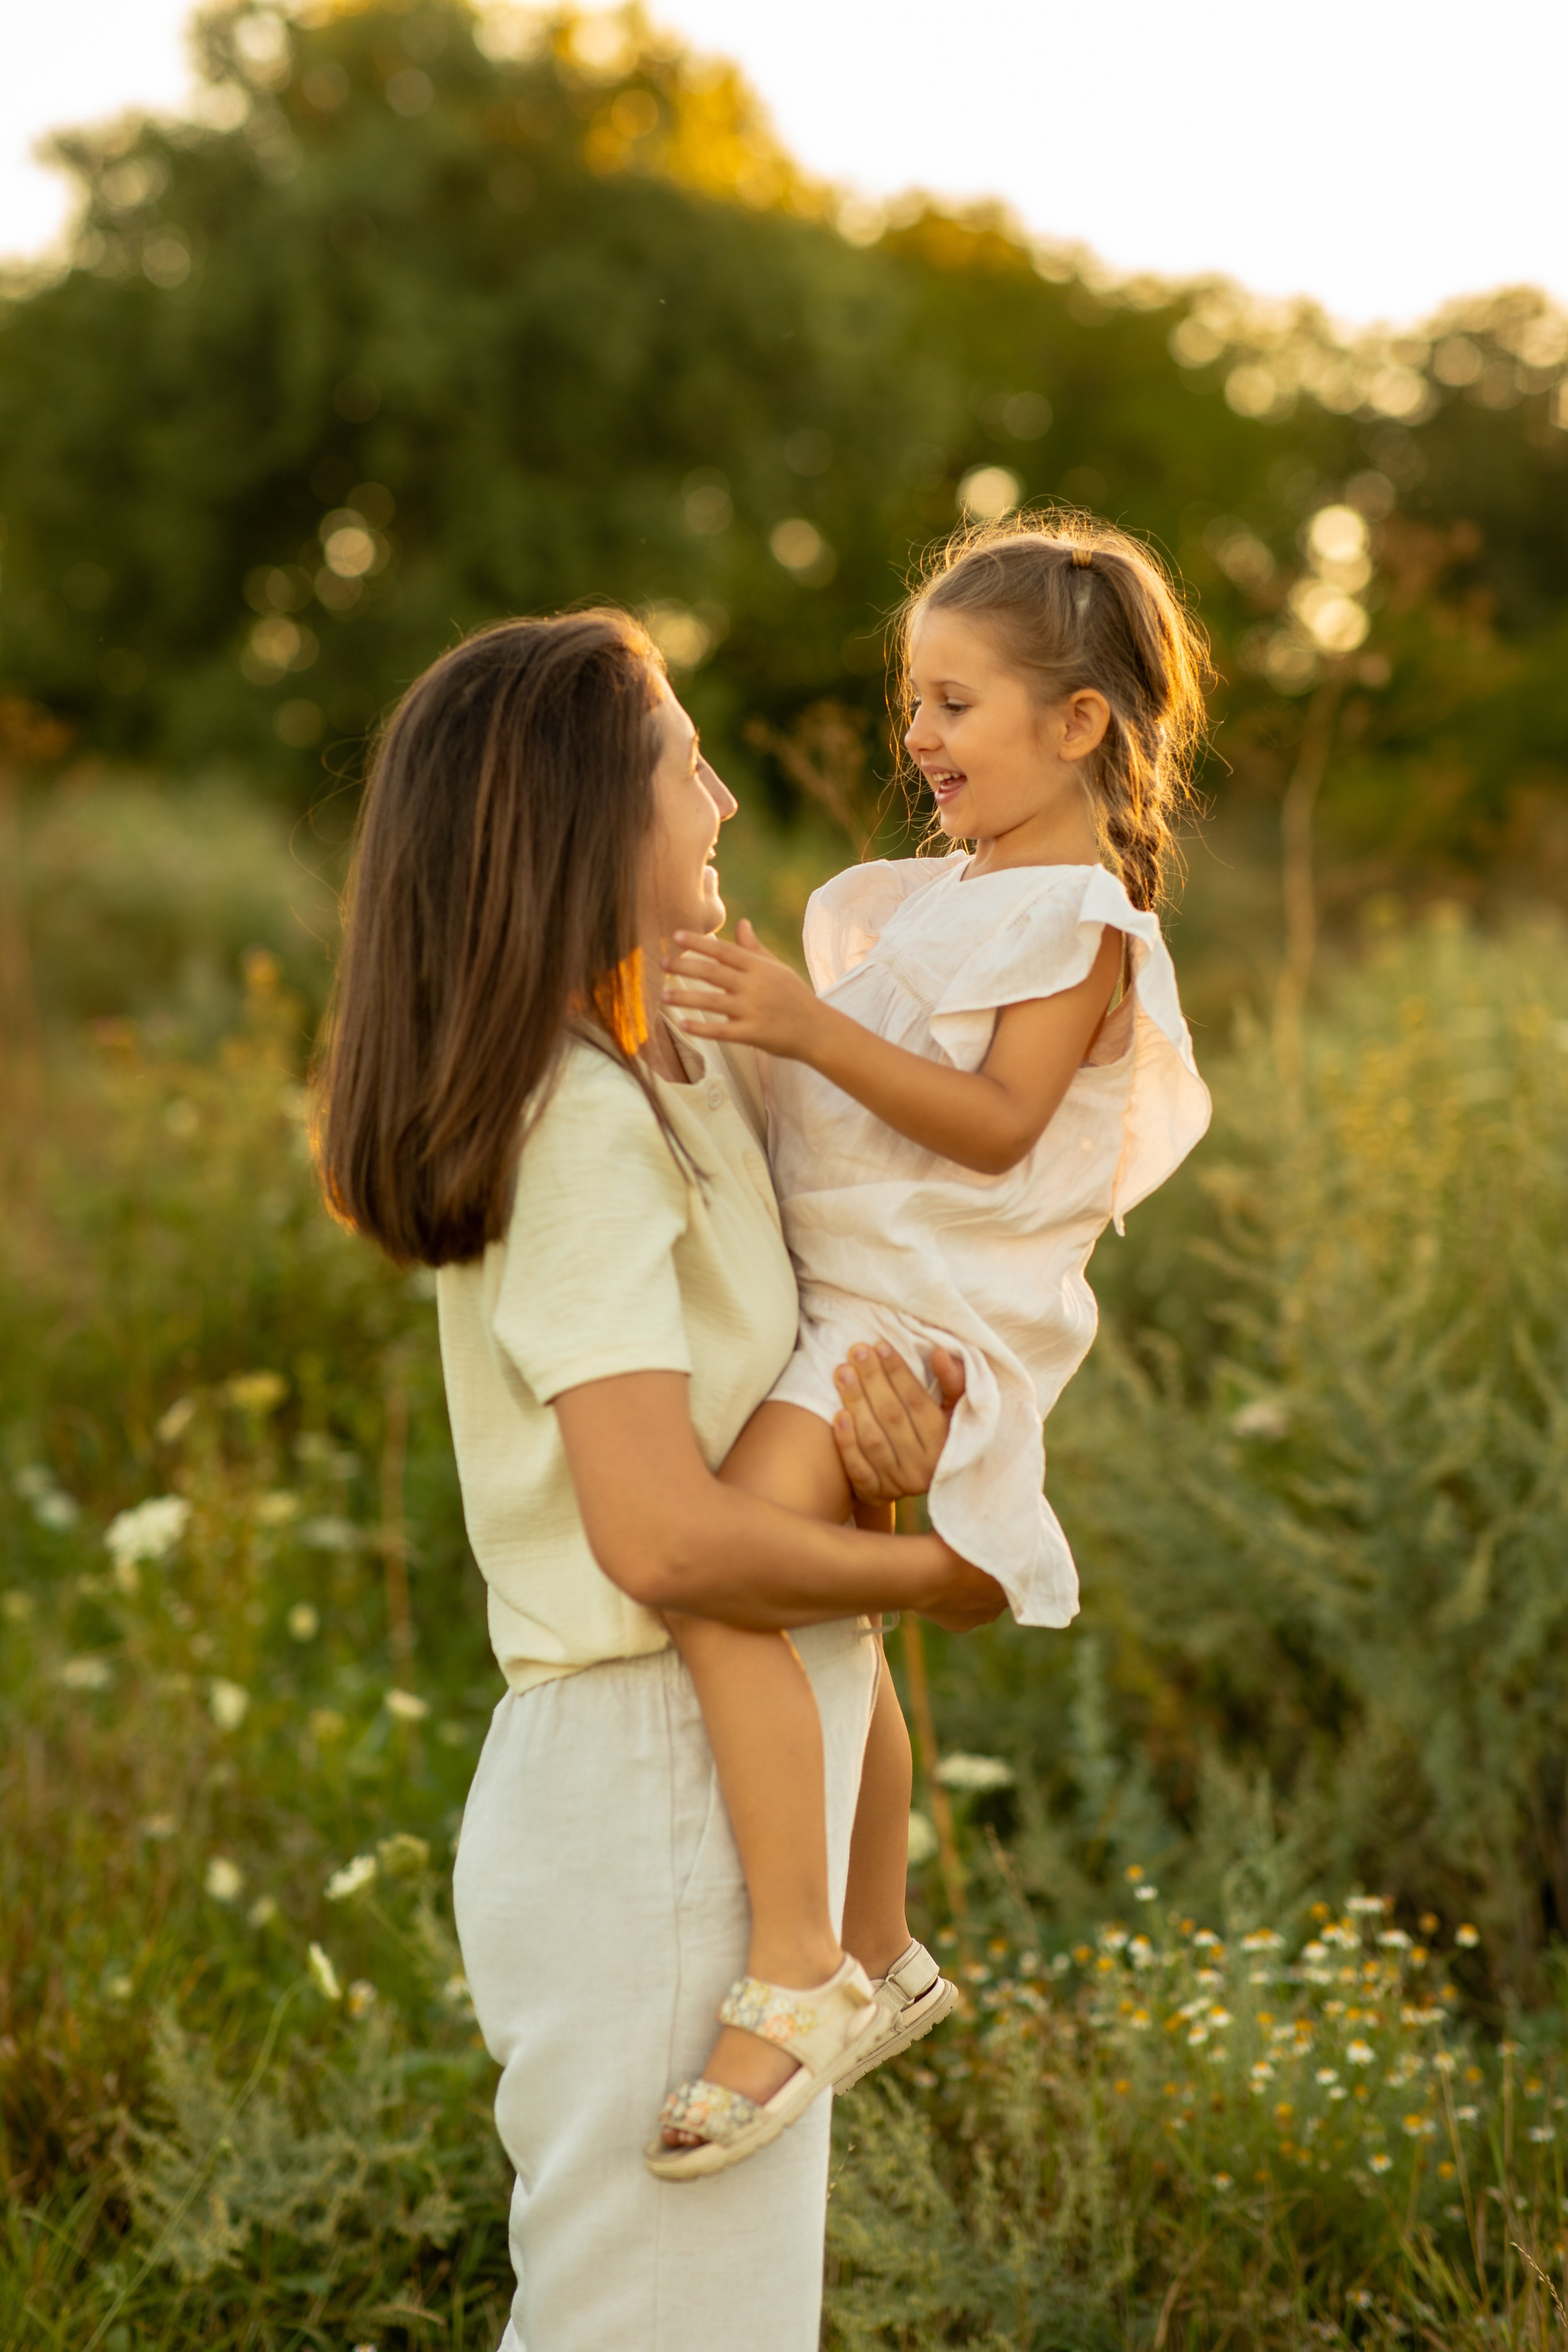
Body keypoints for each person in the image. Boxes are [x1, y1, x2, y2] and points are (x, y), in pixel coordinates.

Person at [313, 605, 1005, 2352]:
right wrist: (950, 1582)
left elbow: (756, 1469)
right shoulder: (575, 1125)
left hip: (725, 1781)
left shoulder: (674, 1077)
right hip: (652, 1800)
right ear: (585, 822)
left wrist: (893, 1485)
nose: (724, 802)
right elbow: (663, 1537)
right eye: (687, 763)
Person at [652, 514, 1214, 2174]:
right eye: (915, 704)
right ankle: (885, 1943)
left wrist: (803, 1025)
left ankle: (796, 1965)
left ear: (1079, 725)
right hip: (837, 1291)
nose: (921, 739)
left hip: (919, 1316)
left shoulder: (1080, 929)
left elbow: (989, 1129)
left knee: (717, 1571)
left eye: (956, 705)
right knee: (829, 1627)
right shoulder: (913, 905)